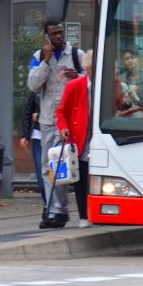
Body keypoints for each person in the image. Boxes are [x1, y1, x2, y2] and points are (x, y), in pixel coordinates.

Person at [27, 19, 85, 228]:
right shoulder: (40, 56)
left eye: (61, 33)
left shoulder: (78, 55)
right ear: (47, 37)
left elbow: (92, 82)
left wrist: (78, 76)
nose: (59, 36)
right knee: (49, 165)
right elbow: (33, 85)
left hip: (72, 120)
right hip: (49, 120)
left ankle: (62, 210)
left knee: (65, 165)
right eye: (54, 34)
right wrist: (46, 61)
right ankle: (55, 210)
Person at [56, 50, 94, 229]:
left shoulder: (113, 84)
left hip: (102, 138)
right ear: (88, 69)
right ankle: (83, 216)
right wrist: (63, 127)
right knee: (81, 179)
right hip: (81, 139)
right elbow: (61, 112)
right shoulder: (74, 86)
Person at [19, 91, 46, 206]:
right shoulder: (37, 91)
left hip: (56, 136)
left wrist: (40, 116)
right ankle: (47, 204)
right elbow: (28, 112)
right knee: (41, 174)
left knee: (56, 173)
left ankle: (55, 204)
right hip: (39, 135)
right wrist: (25, 135)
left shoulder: (59, 88)